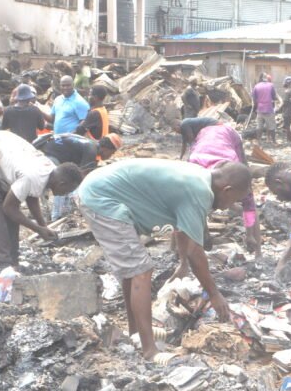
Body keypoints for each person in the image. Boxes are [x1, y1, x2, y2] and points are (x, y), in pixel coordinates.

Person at [79, 159, 253, 360]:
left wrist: (182, 264)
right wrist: (214, 293)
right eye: (233, 201)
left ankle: (135, 334)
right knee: (141, 271)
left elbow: (182, 229)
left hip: (98, 190)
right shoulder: (200, 192)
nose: (227, 207)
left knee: (133, 271)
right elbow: (195, 251)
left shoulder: (199, 178)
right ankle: (149, 350)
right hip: (101, 199)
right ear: (227, 190)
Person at [0, 132, 83, 270]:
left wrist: (43, 225)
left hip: (3, 149)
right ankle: (2, 263)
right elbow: (9, 208)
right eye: (67, 191)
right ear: (62, 183)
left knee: (12, 213)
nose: (65, 194)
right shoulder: (32, 175)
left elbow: (31, 195)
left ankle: (13, 260)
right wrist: (38, 229)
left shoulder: (50, 172)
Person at [184, 124, 261, 255]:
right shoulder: (194, 170)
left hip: (229, 135)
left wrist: (250, 236)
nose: (224, 209)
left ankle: (259, 251)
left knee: (245, 180)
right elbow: (190, 207)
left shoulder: (239, 176)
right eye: (232, 200)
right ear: (226, 190)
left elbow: (250, 207)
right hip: (204, 136)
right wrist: (204, 231)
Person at [34, 132, 121, 173]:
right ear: (106, 148)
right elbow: (83, 175)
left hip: (47, 148)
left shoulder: (90, 144)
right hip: (50, 156)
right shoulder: (91, 150)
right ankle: (58, 209)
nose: (111, 156)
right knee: (62, 182)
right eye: (112, 153)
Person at [252, 73, 279, 144]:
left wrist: (257, 105)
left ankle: (258, 141)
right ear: (266, 79)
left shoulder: (256, 86)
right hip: (269, 109)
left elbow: (254, 99)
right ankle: (274, 141)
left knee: (259, 126)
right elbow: (274, 97)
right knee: (272, 126)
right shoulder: (271, 85)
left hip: (260, 109)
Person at [280, 76, 291, 143]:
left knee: (288, 126)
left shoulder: (287, 92)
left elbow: (285, 103)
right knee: (290, 125)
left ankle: (289, 140)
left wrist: (279, 108)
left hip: (287, 111)